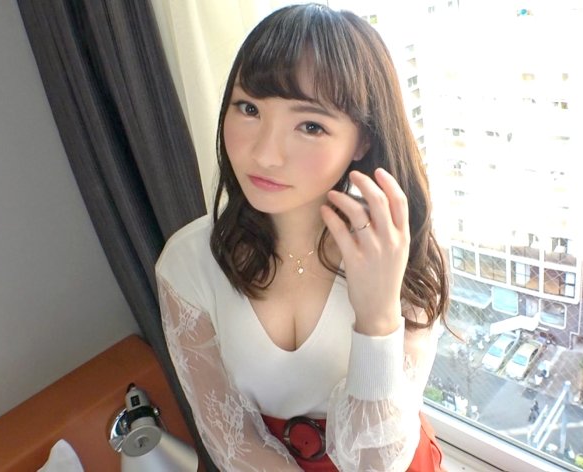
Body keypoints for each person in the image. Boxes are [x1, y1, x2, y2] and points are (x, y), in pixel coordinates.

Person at [155, 4, 449, 471]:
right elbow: (230, 440)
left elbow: (377, 462)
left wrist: (377, 317)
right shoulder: (188, 263)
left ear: (362, 140)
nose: (265, 154)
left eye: (310, 125)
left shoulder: (400, 251)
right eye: (249, 108)